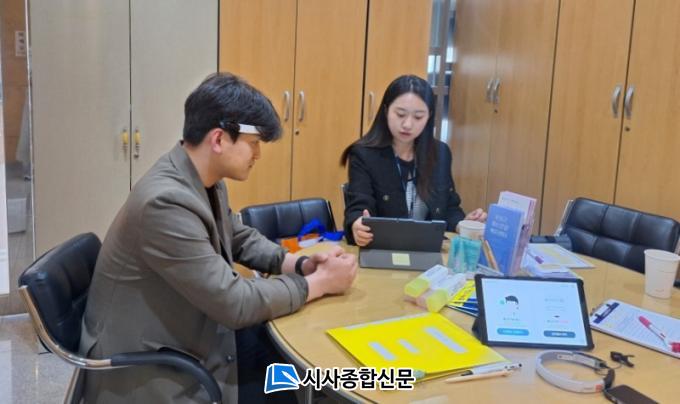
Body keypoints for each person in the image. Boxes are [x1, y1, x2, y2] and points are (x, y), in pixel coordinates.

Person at [79, 72, 358, 403]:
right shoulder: (164, 202)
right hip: (154, 368)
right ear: (219, 140)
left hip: (192, 331)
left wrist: (299, 264)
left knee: (289, 368)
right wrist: (319, 283)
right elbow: (234, 302)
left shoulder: (203, 178)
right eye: (254, 144)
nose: (258, 155)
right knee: (287, 383)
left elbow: (237, 237)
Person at [341, 74, 486, 246]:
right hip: (383, 248)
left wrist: (464, 224)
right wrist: (357, 225)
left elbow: (449, 207)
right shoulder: (364, 154)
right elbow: (359, 205)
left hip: (428, 250)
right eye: (400, 114)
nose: (407, 124)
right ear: (386, 111)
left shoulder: (440, 153)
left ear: (429, 117)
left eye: (418, 117)